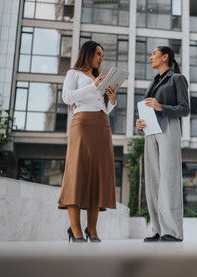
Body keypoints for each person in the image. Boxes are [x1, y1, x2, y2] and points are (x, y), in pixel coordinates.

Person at [58, 40, 118, 243]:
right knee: (77, 173)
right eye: (98, 54)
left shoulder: (97, 78)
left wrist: (112, 101)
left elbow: (102, 107)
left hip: (102, 126)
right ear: (88, 54)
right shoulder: (73, 74)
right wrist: (93, 86)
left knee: (97, 177)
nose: (101, 58)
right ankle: (75, 230)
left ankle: (92, 230)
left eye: (102, 54)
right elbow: (67, 97)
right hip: (82, 124)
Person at [135, 46, 189, 242]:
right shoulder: (152, 83)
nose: (150, 57)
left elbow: (185, 109)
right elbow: (146, 109)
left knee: (169, 179)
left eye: (154, 54)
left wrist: (161, 107)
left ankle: (173, 231)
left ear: (165, 57)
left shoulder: (177, 79)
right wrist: (139, 123)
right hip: (150, 131)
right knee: (153, 180)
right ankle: (158, 229)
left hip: (168, 126)